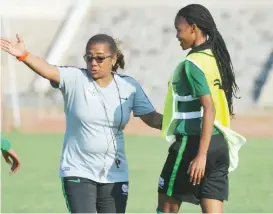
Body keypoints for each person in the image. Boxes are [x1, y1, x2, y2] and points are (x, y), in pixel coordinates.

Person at [0, 33, 163, 213]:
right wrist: (24, 55)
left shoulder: (129, 86)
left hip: (115, 173)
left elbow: (152, 118)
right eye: (89, 58)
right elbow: (47, 70)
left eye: (100, 58)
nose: (94, 63)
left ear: (114, 58)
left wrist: (182, 121)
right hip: (78, 170)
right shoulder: (74, 78)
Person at [158, 4, 245, 213]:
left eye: (179, 30)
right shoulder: (215, 59)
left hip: (194, 145)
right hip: (219, 144)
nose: (177, 36)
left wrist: (201, 156)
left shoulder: (192, 64)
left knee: (166, 208)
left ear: (193, 28)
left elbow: (209, 108)